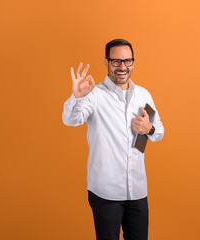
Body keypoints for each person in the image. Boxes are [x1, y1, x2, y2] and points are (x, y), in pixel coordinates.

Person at [62, 39, 164, 240]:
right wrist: (77, 97)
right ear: (106, 62)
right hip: (105, 193)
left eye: (127, 61)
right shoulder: (94, 94)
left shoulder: (143, 95)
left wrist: (149, 129)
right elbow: (71, 120)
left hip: (137, 191)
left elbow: (159, 131)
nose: (122, 67)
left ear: (133, 62)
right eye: (116, 61)